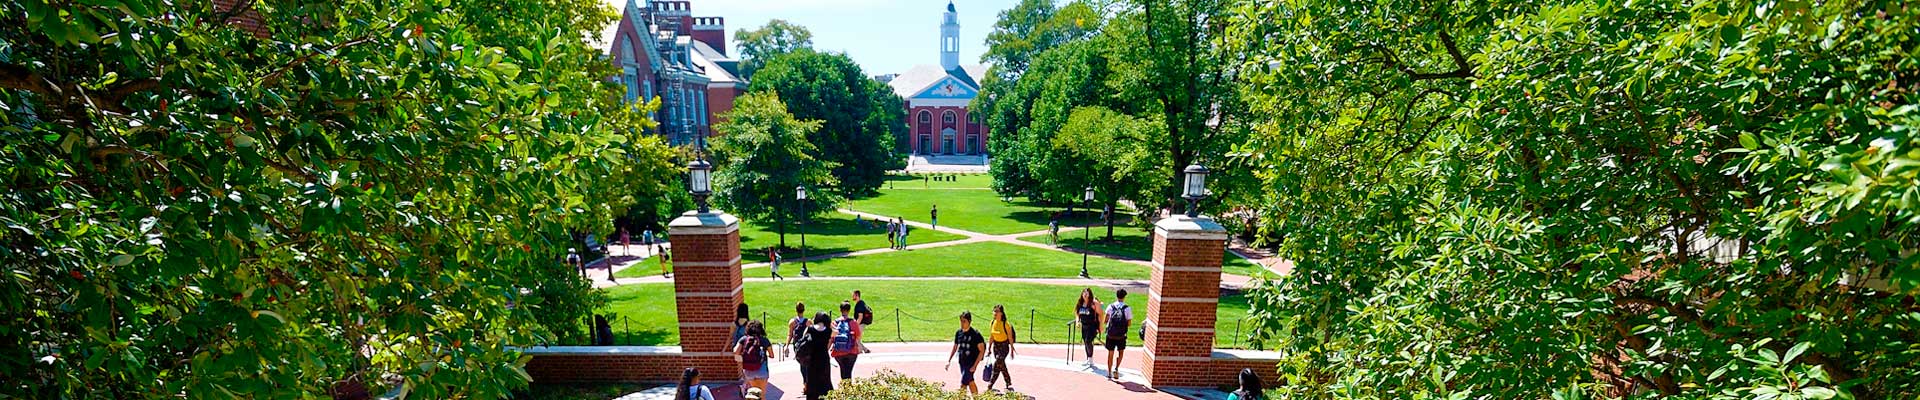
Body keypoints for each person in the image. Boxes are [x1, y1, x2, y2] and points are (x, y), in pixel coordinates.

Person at [795, 312, 835, 400]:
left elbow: (803, 338)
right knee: (825, 381)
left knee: (812, 382)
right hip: (824, 359)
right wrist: (831, 325)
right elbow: (836, 332)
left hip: (812, 359)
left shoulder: (810, 329)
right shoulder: (828, 331)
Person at [946, 311, 986, 396]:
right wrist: (949, 360)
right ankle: (976, 398)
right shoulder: (958, 333)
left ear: (969, 321)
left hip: (971, 363)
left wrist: (975, 365)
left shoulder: (976, 334)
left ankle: (961, 398)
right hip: (962, 362)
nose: (962, 323)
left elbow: (982, 350)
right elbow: (955, 346)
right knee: (970, 381)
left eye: (964, 321)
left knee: (963, 383)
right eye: (961, 321)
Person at [734, 321, 773, 396]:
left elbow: (735, 351)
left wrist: (743, 357)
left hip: (748, 371)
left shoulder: (744, 339)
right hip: (762, 370)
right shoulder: (764, 340)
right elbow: (771, 355)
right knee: (762, 395)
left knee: (753, 394)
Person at [984, 305, 1017, 391]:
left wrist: (1012, 350)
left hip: (1004, 347)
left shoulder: (1006, 324)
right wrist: (989, 348)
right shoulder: (992, 322)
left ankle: (990, 384)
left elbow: (1010, 338)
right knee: (1001, 364)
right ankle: (1008, 381)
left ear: (1001, 313)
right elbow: (991, 336)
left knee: (997, 363)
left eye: (997, 311)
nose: (995, 313)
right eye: (994, 311)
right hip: (996, 347)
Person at [1103, 289, 1134, 380]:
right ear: (1124, 297)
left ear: (1116, 296)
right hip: (1121, 335)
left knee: (1110, 353)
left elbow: (1105, 320)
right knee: (1121, 352)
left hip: (1111, 334)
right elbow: (1129, 323)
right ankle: (1116, 368)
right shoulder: (1127, 308)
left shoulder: (1110, 306)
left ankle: (1109, 372)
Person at [830, 302, 863, 380]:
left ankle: (844, 386)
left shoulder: (835, 323)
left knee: (843, 370)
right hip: (851, 351)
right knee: (849, 372)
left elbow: (832, 337)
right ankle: (848, 388)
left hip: (838, 351)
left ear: (840, 310)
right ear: (849, 310)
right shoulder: (853, 322)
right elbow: (858, 335)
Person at [1073, 288, 1104, 366]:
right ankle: (1088, 358)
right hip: (1084, 326)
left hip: (1092, 326)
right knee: (1085, 341)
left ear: (1090, 294)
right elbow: (1077, 313)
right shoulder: (1080, 303)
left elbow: (1101, 314)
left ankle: (1090, 359)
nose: (1085, 294)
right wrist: (1077, 322)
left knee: (1088, 341)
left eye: (1087, 293)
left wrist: (1100, 326)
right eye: (1084, 293)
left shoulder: (1094, 304)